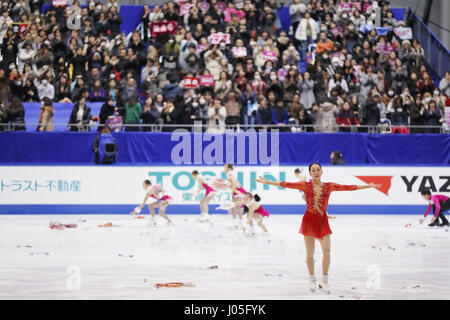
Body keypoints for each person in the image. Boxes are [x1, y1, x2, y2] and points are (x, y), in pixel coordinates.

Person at [255, 163, 381, 294]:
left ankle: (325, 280)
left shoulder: (329, 186)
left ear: (322, 172)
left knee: (327, 251)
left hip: (322, 221)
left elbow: (349, 187)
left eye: (318, 170)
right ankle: (312, 278)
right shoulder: (305, 185)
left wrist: (368, 186)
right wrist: (267, 181)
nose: (316, 172)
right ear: (310, 173)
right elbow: (286, 184)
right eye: (313, 170)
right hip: (309, 221)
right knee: (310, 253)